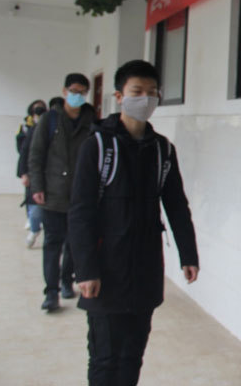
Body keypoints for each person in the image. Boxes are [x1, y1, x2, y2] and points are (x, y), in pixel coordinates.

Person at [68, 60, 199, 386]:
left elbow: (176, 206)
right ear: (119, 96)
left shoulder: (162, 150)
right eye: (137, 92)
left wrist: (189, 254)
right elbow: (81, 212)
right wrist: (86, 269)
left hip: (145, 270)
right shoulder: (97, 146)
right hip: (105, 269)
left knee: (132, 354)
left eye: (152, 92)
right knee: (105, 358)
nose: (146, 99)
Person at [29, 75, 96, 311]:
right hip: (53, 194)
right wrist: (37, 186)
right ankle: (51, 292)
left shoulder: (92, 121)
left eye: (82, 91)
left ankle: (67, 281)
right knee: (52, 244)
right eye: (74, 90)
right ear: (65, 91)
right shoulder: (49, 120)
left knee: (74, 244)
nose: (78, 95)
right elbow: (36, 155)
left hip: (81, 196)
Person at [17, 100, 48, 247]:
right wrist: (24, 173)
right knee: (34, 207)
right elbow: (23, 151)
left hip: (52, 176)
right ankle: (34, 228)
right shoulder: (29, 127)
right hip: (34, 173)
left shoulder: (54, 128)